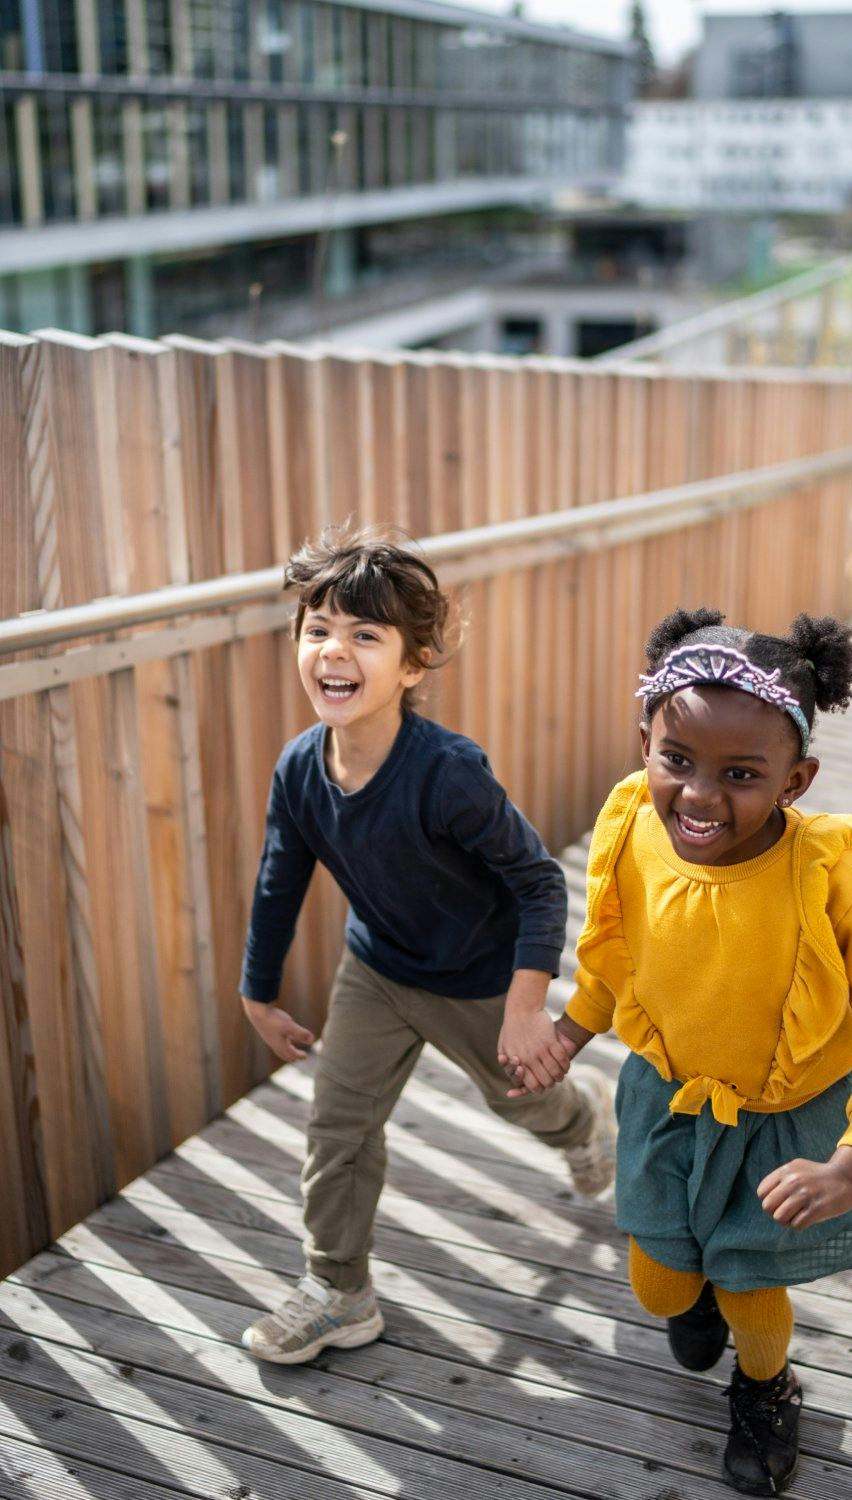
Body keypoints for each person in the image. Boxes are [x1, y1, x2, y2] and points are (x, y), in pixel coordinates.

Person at [511, 607, 852, 1496]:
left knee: (752, 1295)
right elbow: (618, 952)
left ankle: (765, 1385)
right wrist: (571, 1029)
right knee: (660, 1290)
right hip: (668, 1102)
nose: (701, 797)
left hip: (785, 1125)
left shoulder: (828, 878)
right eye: (677, 760)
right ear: (645, 744)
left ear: (796, 780)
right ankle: (699, 1284)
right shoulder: (633, 824)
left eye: (741, 774)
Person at [238, 524, 616, 1365]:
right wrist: (257, 994)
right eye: (317, 629)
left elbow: (538, 882)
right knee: (338, 1125)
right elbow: (277, 882)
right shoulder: (300, 769)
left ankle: (586, 1117)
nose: (335, 650)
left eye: (365, 635)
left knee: (524, 1103)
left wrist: (527, 1009)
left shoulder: (447, 772)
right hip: (377, 968)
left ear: (412, 667)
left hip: (477, 976)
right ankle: (340, 1291)